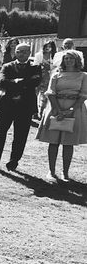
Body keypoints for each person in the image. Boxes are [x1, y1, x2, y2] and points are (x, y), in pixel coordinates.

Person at [0, 43, 41, 172]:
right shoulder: (7, 66)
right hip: (7, 105)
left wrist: (15, 82)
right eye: (18, 51)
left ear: (29, 53)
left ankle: (13, 163)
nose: (21, 54)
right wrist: (22, 83)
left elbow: (35, 82)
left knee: (20, 136)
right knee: (0, 134)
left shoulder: (35, 67)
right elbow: (2, 83)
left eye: (24, 52)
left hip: (25, 106)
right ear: (15, 52)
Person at [35, 50, 86, 182]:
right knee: (53, 142)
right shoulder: (56, 74)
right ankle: (51, 171)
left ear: (77, 61)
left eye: (71, 59)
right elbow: (50, 92)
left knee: (68, 143)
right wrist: (57, 109)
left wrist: (70, 109)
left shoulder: (83, 76)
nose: (68, 61)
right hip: (55, 108)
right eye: (66, 59)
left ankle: (65, 172)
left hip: (75, 109)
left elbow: (83, 94)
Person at [37, 41, 57, 119]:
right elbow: (35, 65)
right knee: (35, 94)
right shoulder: (39, 55)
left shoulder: (54, 56)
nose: (48, 48)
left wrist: (49, 67)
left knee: (44, 95)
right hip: (38, 77)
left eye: (50, 46)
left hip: (48, 78)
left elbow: (55, 67)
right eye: (46, 46)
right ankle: (34, 111)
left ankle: (41, 112)